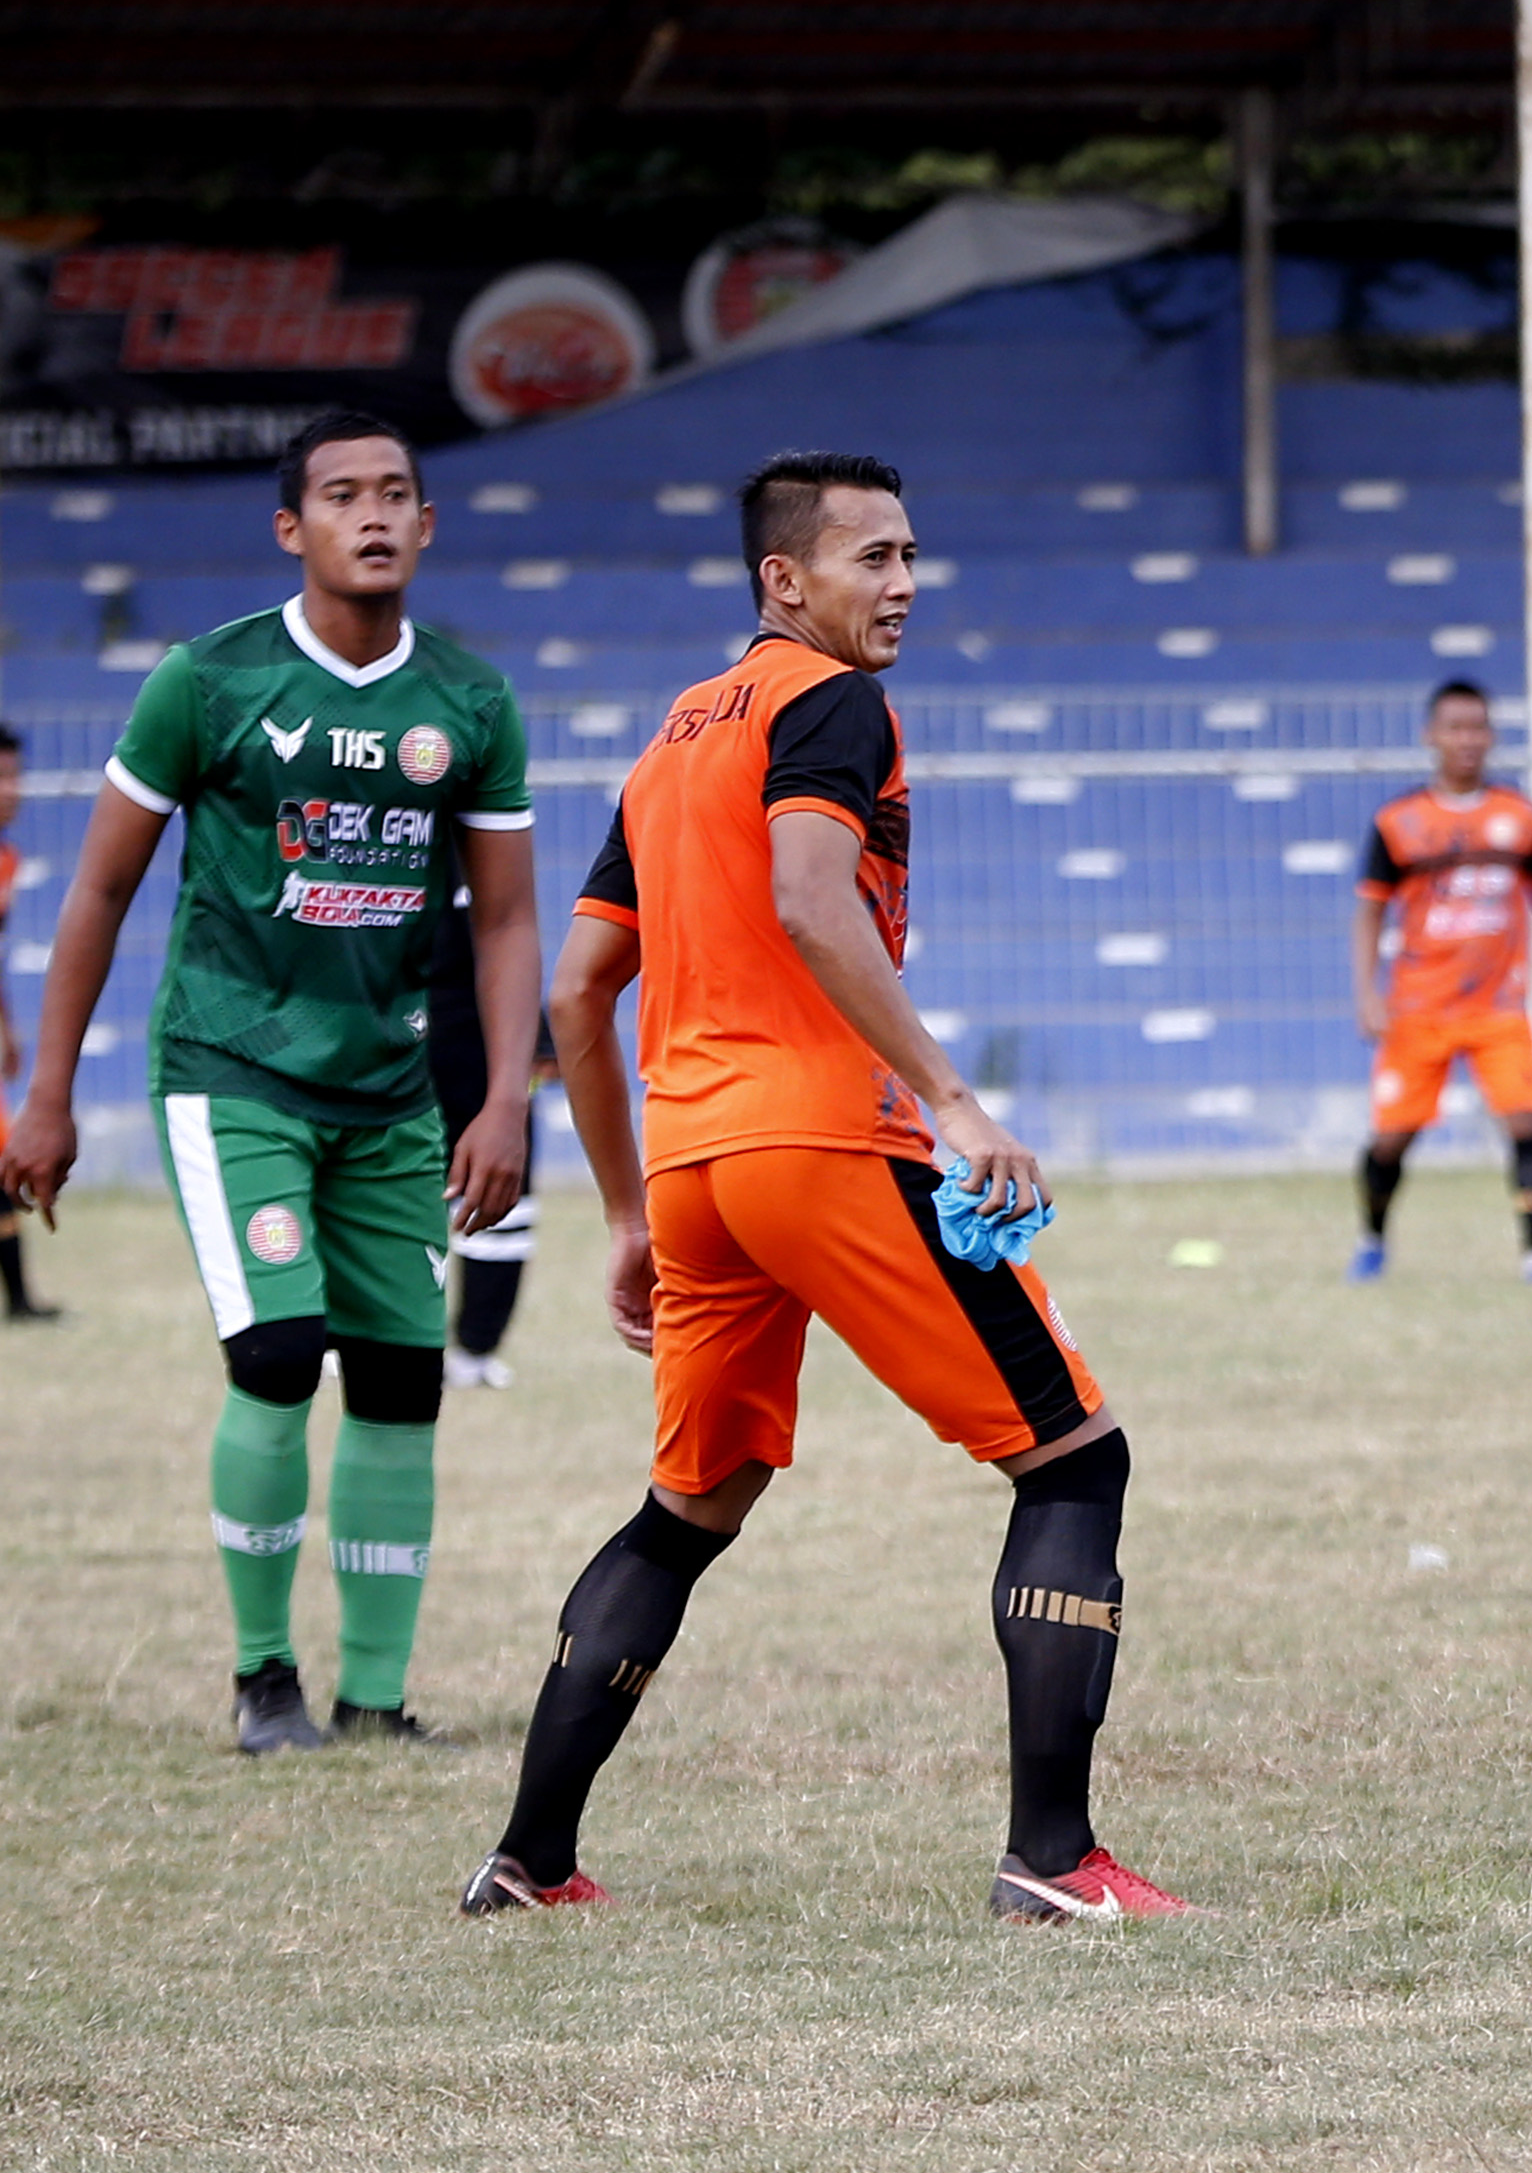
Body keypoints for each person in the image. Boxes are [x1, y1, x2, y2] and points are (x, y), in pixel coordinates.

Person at [465, 450, 1187, 1920]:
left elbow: (582, 990)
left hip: (697, 1166)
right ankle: (1055, 1862)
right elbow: (806, 899)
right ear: (783, 580)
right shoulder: (829, 698)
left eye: (913, 553)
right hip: (826, 1142)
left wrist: (625, 1211)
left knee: (690, 1502)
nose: (905, 582)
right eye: (873, 558)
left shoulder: (674, 737)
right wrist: (952, 1093)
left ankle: (529, 1860)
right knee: (1073, 1458)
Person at [0, 412, 538, 1754]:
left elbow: (509, 920)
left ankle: (373, 1695)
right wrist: (48, 1095)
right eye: (343, 494)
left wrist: (506, 1098)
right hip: (232, 1071)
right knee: (282, 1350)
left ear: (426, 525)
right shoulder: (210, 678)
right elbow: (103, 885)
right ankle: (262, 1679)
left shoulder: (469, 701)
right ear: (291, 527)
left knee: (406, 1381)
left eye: (397, 493)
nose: (374, 513)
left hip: (392, 1094)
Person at [1347, 678, 1532, 1286]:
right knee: (1391, 1139)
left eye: (1478, 727)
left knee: (1524, 1123)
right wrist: (1365, 992)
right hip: (1417, 1007)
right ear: (1430, 736)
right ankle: (1372, 1241)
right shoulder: (1398, 823)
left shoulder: (1521, 819)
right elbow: (1369, 912)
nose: (1467, 740)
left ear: (1492, 736)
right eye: (1455, 727)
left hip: (1498, 1006)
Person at [425, 878, 553, 1387]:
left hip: (491, 1055)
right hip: (396, 1046)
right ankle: (351, 1337)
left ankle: (477, 1348)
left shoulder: (484, 833)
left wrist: (538, 1036)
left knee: (505, 1201)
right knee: (389, 1201)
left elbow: (508, 938)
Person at [0, 721, 54, 1323]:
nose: (12, 790)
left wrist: (8, 1030)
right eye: (1, 778)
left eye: (15, 776)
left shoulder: (8, 860)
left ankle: (19, 1302)